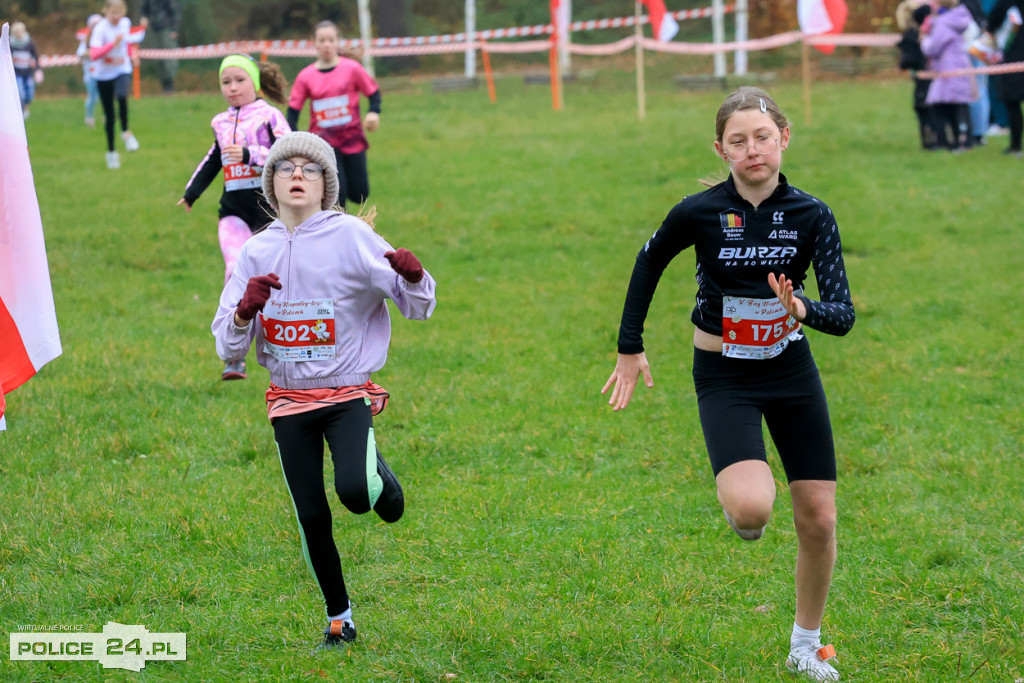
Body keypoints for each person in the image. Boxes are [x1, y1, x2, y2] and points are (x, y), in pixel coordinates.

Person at [601, 87, 854, 682]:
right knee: (751, 513)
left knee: (818, 516)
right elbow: (648, 262)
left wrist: (803, 311)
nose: (752, 150)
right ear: (721, 149)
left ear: (783, 138)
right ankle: (744, 502)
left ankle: (804, 645)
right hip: (724, 375)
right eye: (737, 142)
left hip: (791, 370)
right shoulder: (700, 211)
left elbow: (842, 315)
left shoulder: (812, 215)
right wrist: (629, 347)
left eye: (762, 137)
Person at [210, 131, 436, 650]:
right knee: (311, 512)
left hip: (345, 392)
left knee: (357, 496)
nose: (296, 175)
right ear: (270, 182)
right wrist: (246, 310)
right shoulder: (256, 249)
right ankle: (340, 618)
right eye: (285, 167)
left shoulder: (352, 237)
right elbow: (226, 345)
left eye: (309, 169)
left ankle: (379, 477)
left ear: (326, 184)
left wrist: (415, 275)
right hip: (288, 401)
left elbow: (419, 304)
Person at [178, 54, 291, 381]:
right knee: (234, 269)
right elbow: (214, 158)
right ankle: (234, 356)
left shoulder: (270, 116)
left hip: (269, 210)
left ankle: (282, 339)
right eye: (225, 82)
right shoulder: (220, 122)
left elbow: (289, 154)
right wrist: (192, 191)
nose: (232, 87)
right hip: (232, 211)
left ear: (254, 83)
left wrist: (250, 156)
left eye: (239, 80)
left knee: (277, 279)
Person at [286, 20, 381, 211]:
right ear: (315, 43)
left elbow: (373, 93)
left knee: (360, 193)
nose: (327, 45)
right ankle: (338, 231)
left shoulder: (352, 68)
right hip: (324, 144)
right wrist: (294, 141)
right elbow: (293, 111)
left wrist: (373, 112)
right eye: (322, 40)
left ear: (338, 42)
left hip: (353, 139)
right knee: (338, 195)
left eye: (331, 40)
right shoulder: (306, 76)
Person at [89, 0, 146, 169]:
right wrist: (111, 45)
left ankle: (126, 132)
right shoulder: (100, 29)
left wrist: (131, 54)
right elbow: (94, 54)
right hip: (103, 75)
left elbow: (126, 43)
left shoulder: (125, 23)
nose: (117, 17)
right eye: (113, 13)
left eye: (120, 13)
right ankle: (112, 152)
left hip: (122, 69)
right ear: (105, 11)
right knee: (109, 115)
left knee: (122, 96)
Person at [921, 0, 976, 152]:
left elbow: (933, 47)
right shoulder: (960, 18)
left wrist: (924, 40)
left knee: (945, 105)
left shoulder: (943, 23)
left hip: (947, 68)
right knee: (960, 105)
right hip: (960, 64)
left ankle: (950, 141)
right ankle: (963, 139)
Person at [896, 2, 939, 150]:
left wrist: (901, 65)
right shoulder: (935, 30)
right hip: (936, 77)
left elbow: (910, 58)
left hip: (923, 80)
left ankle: (929, 142)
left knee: (924, 110)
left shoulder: (912, 35)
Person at [987, 0, 1024, 156]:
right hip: (1013, 58)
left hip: (1013, 58)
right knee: (1012, 103)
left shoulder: (1006, 3)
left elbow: (990, 25)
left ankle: (1016, 146)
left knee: (1012, 104)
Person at [140, 0, 180, 93]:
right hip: (154, 30)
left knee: (169, 58)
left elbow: (175, 12)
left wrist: (174, 29)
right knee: (159, 59)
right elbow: (144, 9)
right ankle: (164, 86)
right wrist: (144, 17)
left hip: (167, 30)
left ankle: (169, 86)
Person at [9, 22, 40, 120]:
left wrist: (38, 70)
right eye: (17, 31)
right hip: (16, 73)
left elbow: (35, 56)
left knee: (30, 92)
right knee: (20, 93)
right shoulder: (11, 43)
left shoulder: (29, 42)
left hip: (28, 73)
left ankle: (26, 106)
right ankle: (21, 111)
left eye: (20, 31)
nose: (19, 33)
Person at [76, 14, 103, 127]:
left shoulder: (104, 39)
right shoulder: (85, 41)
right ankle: (89, 116)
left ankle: (106, 115)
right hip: (90, 73)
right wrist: (89, 53)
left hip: (103, 73)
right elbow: (80, 54)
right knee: (92, 96)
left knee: (104, 96)